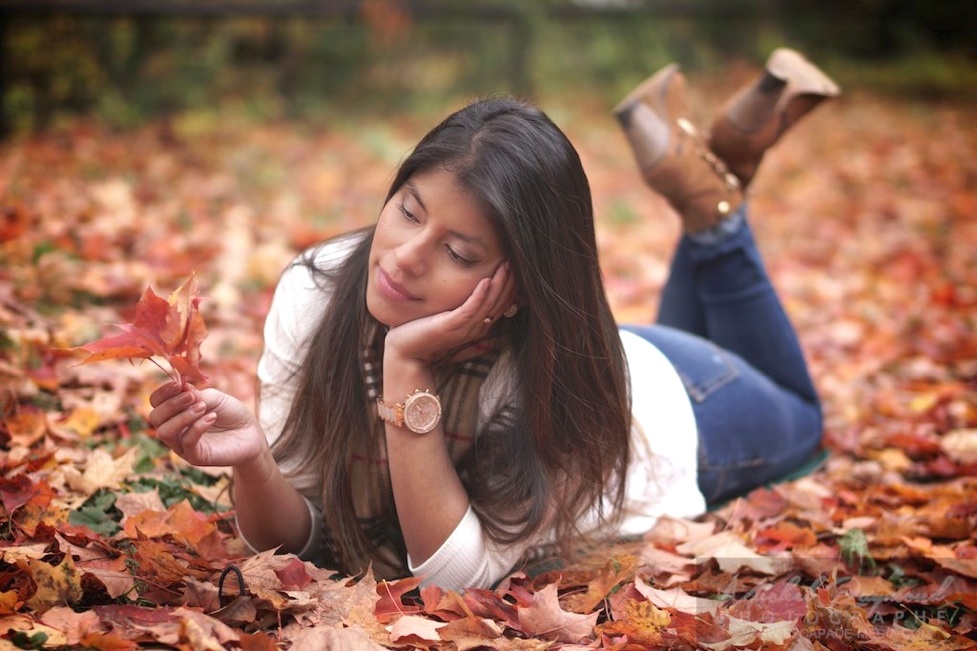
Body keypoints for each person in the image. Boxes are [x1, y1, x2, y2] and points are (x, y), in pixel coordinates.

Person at [149, 47, 838, 591]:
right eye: (409, 210)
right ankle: (713, 181)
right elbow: (298, 534)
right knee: (718, 256)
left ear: (516, 286)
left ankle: (716, 213)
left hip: (690, 410)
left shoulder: (548, 372)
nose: (404, 258)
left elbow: (451, 575)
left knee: (807, 421)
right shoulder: (317, 287)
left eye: (457, 251)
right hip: (630, 355)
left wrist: (406, 364)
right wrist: (254, 463)